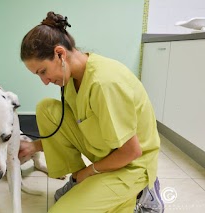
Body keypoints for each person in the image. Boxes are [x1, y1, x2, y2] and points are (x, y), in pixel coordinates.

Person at [18, 11, 164, 213]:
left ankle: (144, 195)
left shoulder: (105, 83)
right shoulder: (72, 79)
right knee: (46, 109)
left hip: (132, 166)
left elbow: (131, 152)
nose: (44, 81)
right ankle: (81, 182)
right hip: (107, 151)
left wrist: (88, 172)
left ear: (60, 54)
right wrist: (33, 146)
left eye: (43, 71)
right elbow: (65, 132)